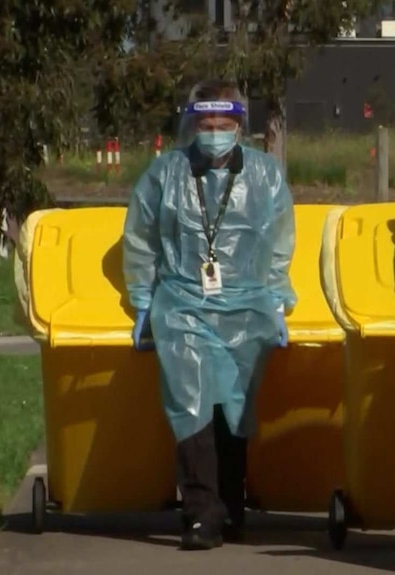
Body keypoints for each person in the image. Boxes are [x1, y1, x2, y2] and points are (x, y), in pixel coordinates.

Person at [122, 80, 297, 551]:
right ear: (193, 124)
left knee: (234, 409)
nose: (214, 134)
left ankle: (230, 509)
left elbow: (280, 239)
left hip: (247, 306)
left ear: (239, 126)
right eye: (206, 125)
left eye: (223, 126)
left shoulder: (264, 174)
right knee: (192, 403)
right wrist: (143, 300)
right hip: (183, 305)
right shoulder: (166, 174)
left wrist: (278, 298)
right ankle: (200, 515)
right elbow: (141, 237)